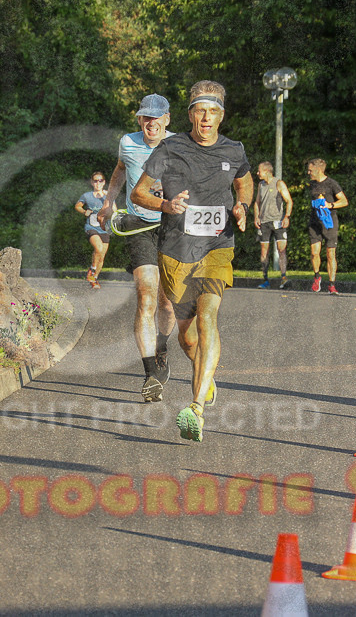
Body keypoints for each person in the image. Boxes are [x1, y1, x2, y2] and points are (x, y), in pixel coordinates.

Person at [130, 80, 253, 442]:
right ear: (189, 115)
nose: (206, 118)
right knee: (187, 338)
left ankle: (196, 407)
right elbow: (139, 193)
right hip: (175, 251)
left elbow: (244, 182)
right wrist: (165, 205)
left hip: (217, 246)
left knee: (209, 316)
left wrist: (242, 206)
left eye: (213, 111)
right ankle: (205, 374)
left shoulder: (234, 149)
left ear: (221, 116)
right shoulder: (170, 148)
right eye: (200, 110)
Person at [97, 94, 178, 402]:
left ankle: (162, 347)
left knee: (167, 305)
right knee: (146, 296)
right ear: (139, 120)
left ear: (167, 119)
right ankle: (150, 376)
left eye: (156, 118)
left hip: (172, 228)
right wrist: (108, 202)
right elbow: (120, 169)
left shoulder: (180, 145)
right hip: (138, 225)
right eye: (145, 118)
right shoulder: (128, 143)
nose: (150, 123)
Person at [306, 158, 348, 294]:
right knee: (314, 252)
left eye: (310, 170)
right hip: (314, 222)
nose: (308, 172)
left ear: (318, 170)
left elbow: (344, 201)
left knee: (330, 253)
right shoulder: (311, 184)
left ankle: (332, 285)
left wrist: (330, 205)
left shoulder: (332, 184)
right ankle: (317, 277)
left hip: (329, 222)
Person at [252, 161, 293, 289]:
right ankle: (265, 280)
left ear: (267, 171)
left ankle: (283, 277)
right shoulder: (261, 185)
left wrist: (286, 216)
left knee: (282, 249)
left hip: (278, 222)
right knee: (264, 251)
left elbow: (289, 201)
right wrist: (256, 217)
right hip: (264, 223)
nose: (257, 173)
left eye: (259, 171)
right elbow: (257, 202)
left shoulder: (279, 184)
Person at [75, 172, 110, 289]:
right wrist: (84, 211)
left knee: (102, 256)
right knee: (98, 248)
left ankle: (94, 279)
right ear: (92, 182)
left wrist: (109, 197)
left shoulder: (108, 195)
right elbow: (77, 206)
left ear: (104, 182)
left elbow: (114, 210)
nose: (98, 183)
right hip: (91, 227)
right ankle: (93, 269)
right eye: (95, 181)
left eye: (100, 181)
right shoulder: (87, 196)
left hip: (104, 228)